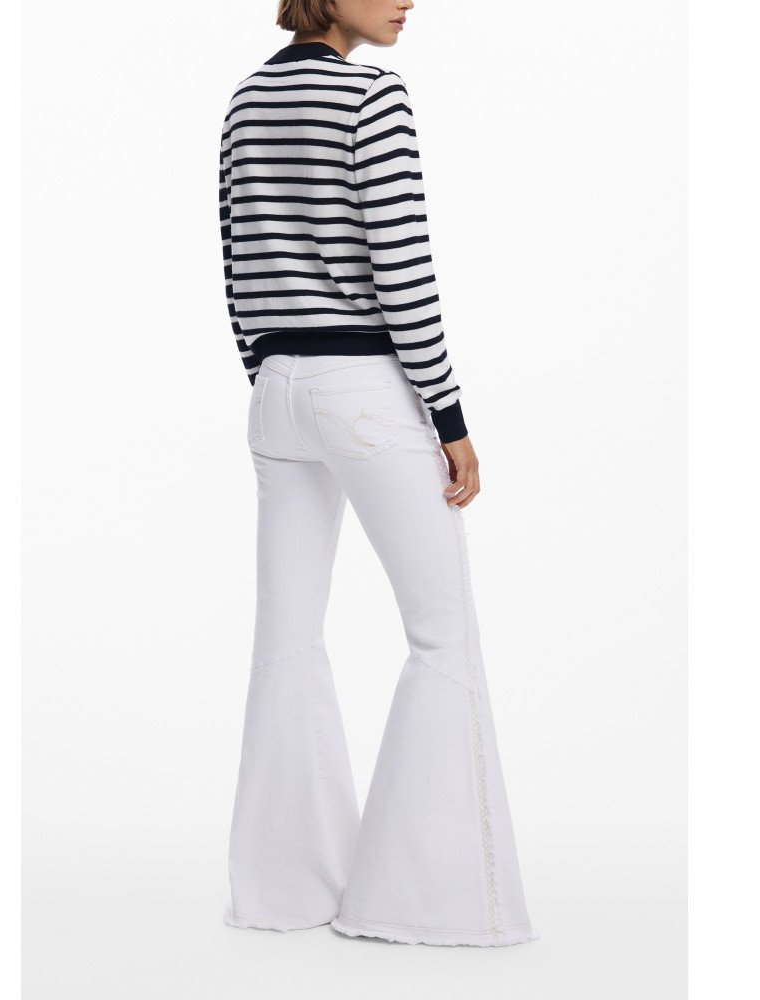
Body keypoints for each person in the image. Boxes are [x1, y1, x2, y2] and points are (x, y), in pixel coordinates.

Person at [218, 0, 539, 947]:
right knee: (444, 636)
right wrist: (449, 415)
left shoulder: (245, 101)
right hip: (364, 385)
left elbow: (236, 262)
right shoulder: (372, 96)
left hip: (275, 389)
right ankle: (420, 903)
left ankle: (281, 894)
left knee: (287, 638)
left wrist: (273, 374)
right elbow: (403, 271)